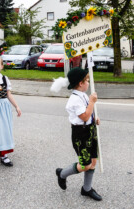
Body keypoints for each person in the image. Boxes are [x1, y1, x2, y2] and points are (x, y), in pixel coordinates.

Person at [53, 68, 102, 201]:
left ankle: (86, 189)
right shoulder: (74, 100)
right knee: (85, 164)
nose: (88, 82)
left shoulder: (84, 95)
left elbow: (88, 114)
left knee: (93, 161)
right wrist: (92, 103)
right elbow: (84, 116)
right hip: (81, 134)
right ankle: (62, 174)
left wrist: (94, 118)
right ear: (80, 83)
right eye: (87, 80)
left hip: (90, 130)